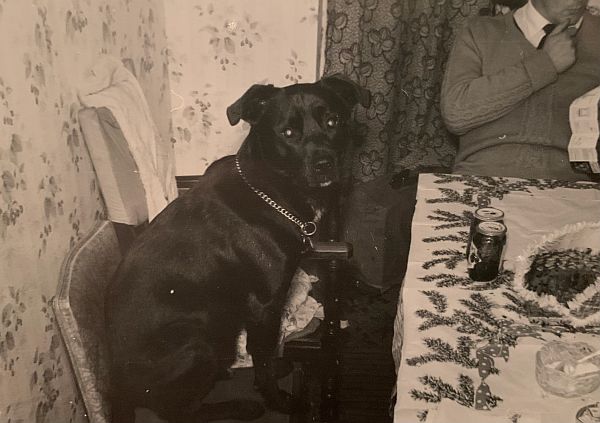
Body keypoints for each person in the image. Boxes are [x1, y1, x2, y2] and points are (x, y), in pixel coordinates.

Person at [441, 0, 600, 181]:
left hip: (574, 189)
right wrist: (546, 64)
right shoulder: (480, 32)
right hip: (480, 180)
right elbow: (456, 114)